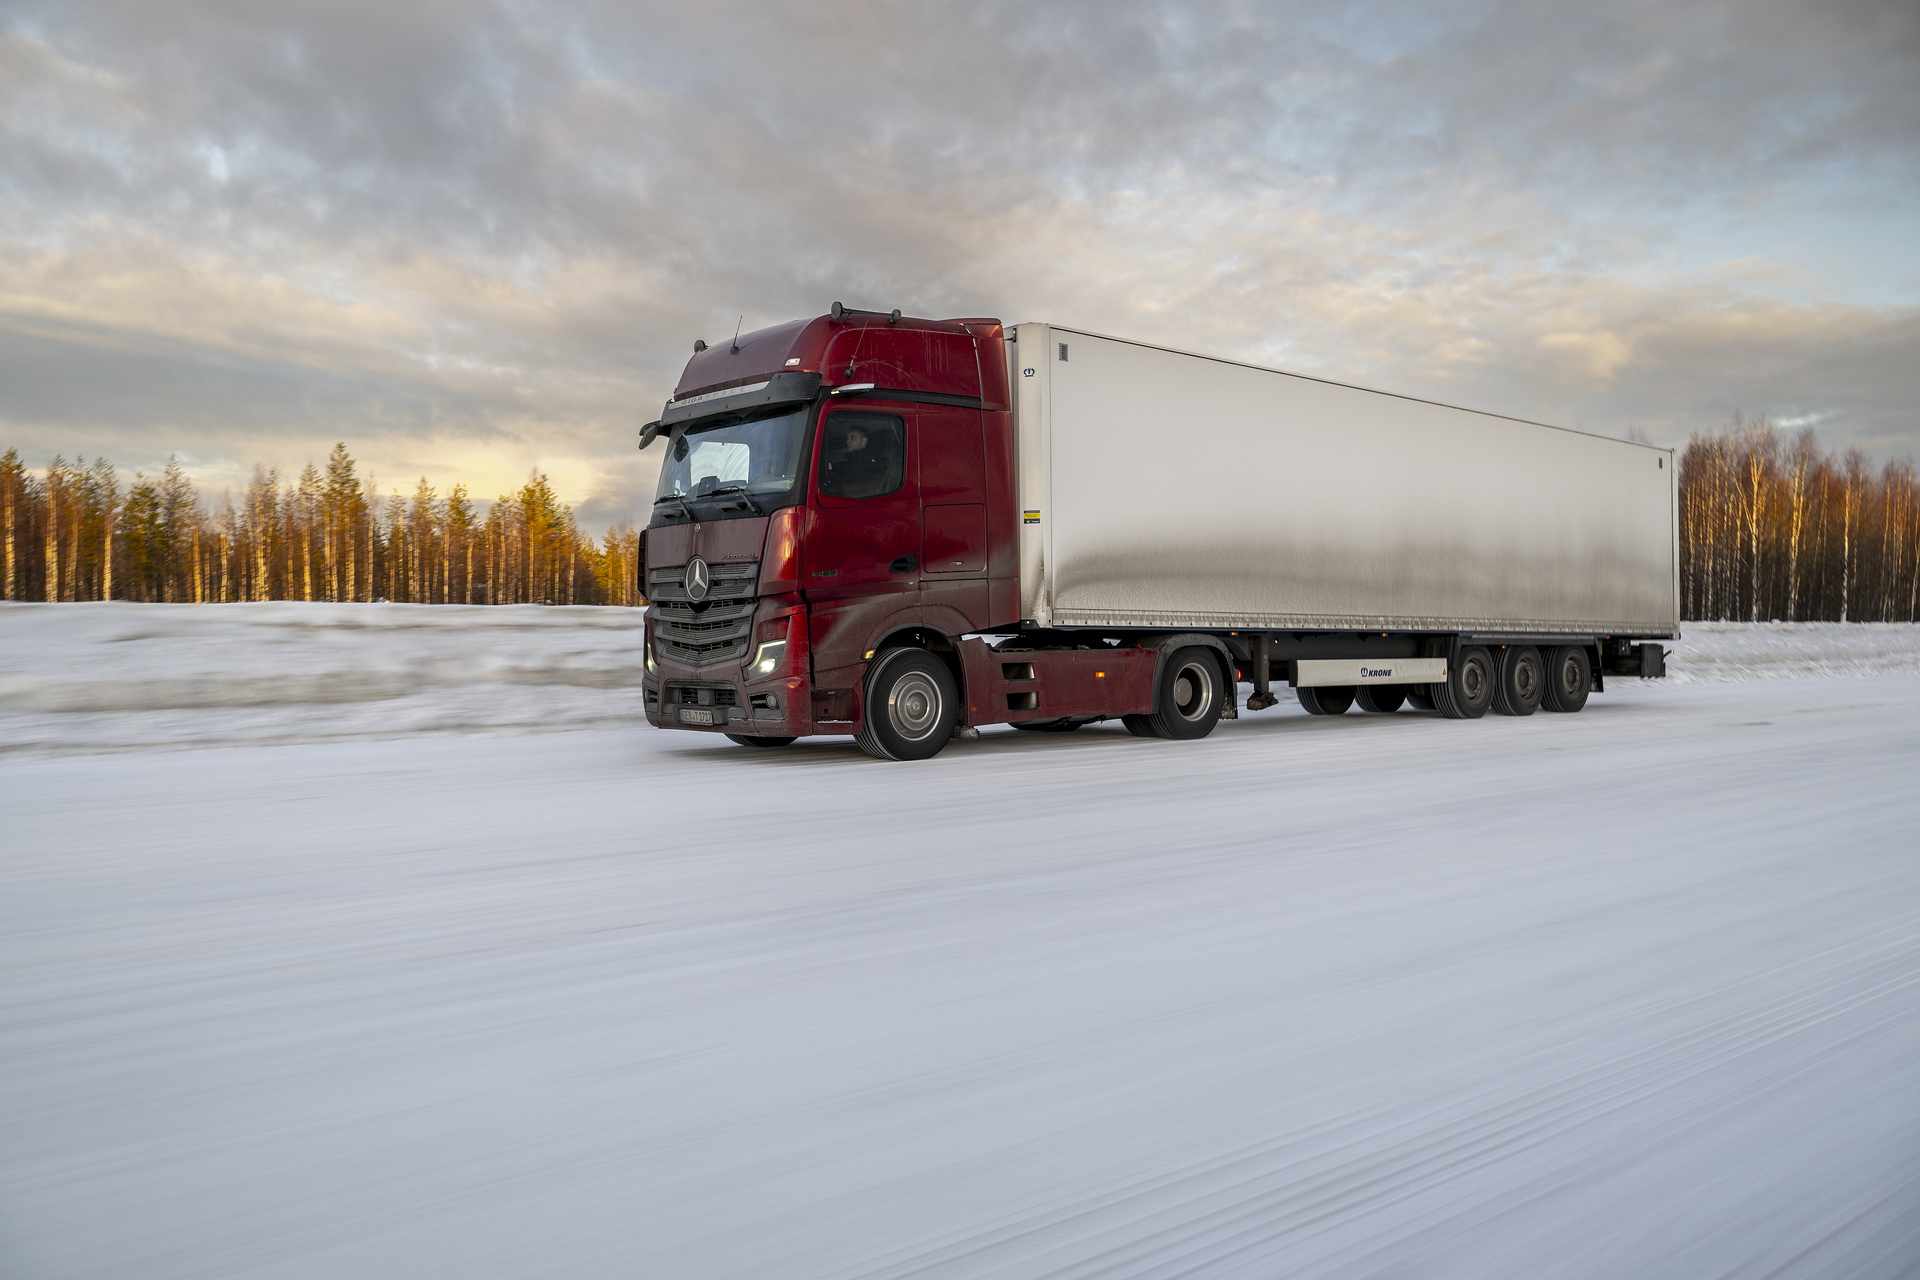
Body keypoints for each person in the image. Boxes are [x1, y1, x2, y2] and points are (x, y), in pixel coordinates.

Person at [824, 421, 897, 499]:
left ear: (864, 441)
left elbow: (856, 468)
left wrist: (831, 466)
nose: (847, 441)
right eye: (847, 438)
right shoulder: (855, 459)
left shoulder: (869, 460)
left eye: (852, 438)